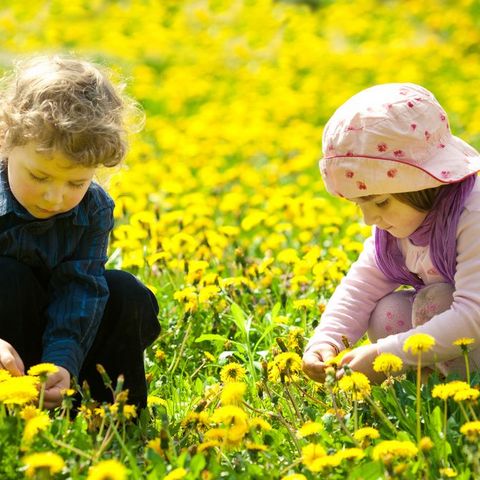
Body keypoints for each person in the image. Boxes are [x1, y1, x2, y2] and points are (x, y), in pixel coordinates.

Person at [0, 55, 160, 408]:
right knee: (8, 276)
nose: (55, 196)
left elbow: (80, 287)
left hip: (64, 335)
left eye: (76, 181)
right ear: (5, 140)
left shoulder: (94, 208)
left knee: (125, 292)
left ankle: (111, 416)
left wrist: (62, 360)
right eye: (39, 176)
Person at [302, 82, 480, 383]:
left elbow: (473, 316)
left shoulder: (471, 214)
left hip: (472, 322)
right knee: (388, 310)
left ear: (424, 184)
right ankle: (430, 388)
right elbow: (360, 287)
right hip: (463, 336)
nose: (369, 219)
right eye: (360, 205)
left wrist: (391, 353)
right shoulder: (398, 226)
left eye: (380, 202)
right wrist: (326, 341)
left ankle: (461, 395)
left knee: (435, 301)